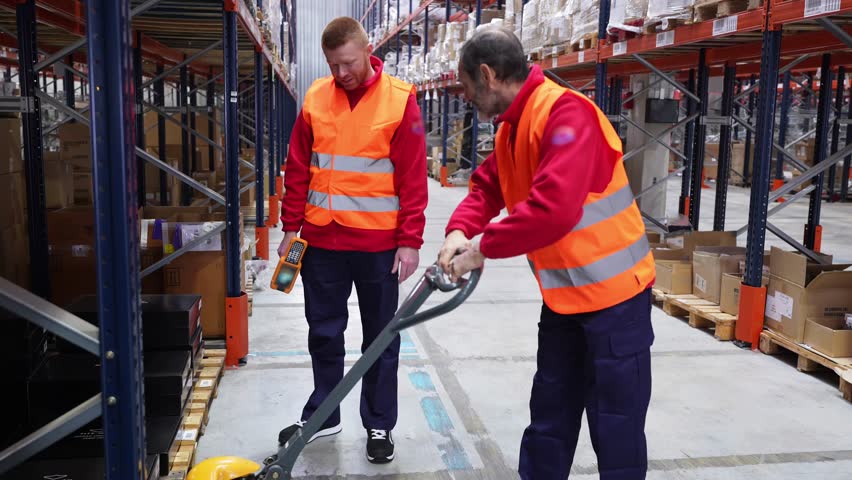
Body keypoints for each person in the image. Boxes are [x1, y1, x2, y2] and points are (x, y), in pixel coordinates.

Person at [438, 29, 655, 480]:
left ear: (488, 75)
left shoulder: (566, 115)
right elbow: (486, 187)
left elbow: (553, 212)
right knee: (549, 416)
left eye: (466, 87)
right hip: (564, 301)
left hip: (615, 303)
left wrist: (481, 250)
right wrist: (458, 231)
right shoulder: (513, 127)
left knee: (616, 426)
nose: (466, 99)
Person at [277, 16, 427, 464]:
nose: (340, 74)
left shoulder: (401, 101)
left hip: (379, 246)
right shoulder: (315, 98)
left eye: (347, 63)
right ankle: (325, 413)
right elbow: (298, 167)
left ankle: (379, 422)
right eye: (332, 65)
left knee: (380, 339)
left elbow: (413, 176)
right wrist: (289, 228)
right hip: (322, 243)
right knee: (324, 333)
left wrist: (411, 239)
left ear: (366, 51)